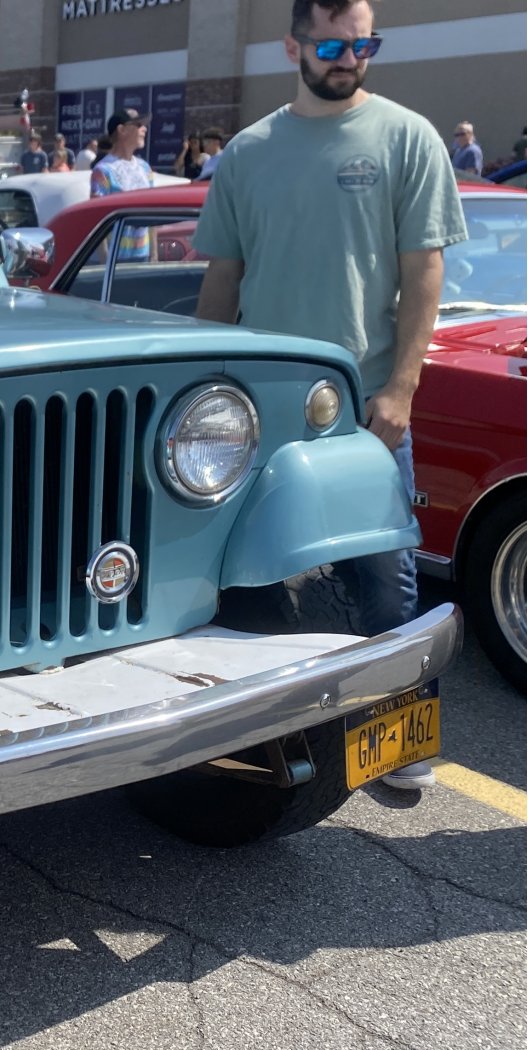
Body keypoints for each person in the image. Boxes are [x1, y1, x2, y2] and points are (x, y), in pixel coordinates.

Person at [193, 0, 465, 791]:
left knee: (388, 580)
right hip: (258, 410)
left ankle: (404, 745)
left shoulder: (406, 137)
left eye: (363, 43)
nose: (350, 58)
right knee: (236, 577)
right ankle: (237, 745)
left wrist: (402, 390)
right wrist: (212, 391)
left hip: (363, 405)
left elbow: (425, 275)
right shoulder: (248, 153)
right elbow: (222, 280)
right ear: (294, 47)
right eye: (335, 44)